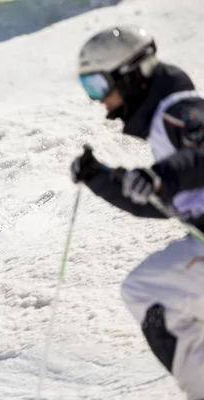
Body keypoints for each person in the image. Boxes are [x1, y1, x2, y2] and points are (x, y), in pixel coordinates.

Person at [71, 26, 204, 399]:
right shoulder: (168, 121)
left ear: (131, 76)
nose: (98, 100)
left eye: (98, 86)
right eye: (87, 88)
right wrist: (102, 179)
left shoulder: (181, 111)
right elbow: (166, 202)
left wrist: (160, 176)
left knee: (148, 288)